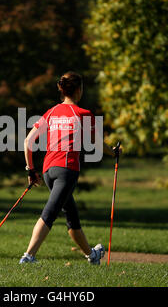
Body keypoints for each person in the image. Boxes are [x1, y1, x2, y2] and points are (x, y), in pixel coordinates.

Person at [21, 71, 121, 265]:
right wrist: (114, 153)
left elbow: (28, 141)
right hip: (66, 171)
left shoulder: (51, 112)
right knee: (49, 214)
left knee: (72, 217)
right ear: (78, 90)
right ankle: (28, 256)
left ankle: (92, 255)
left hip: (48, 171)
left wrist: (31, 170)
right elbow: (96, 143)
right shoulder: (83, 114)